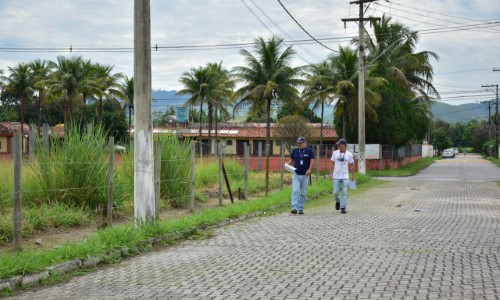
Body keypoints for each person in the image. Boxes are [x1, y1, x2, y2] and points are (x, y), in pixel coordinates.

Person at [286, 137, 315, 214]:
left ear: (304, 143)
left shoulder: (309, 151)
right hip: (296, 174)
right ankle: (294, 207)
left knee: (303, 192)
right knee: (295, 190)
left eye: (300, 143)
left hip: (305, 174)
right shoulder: (295, 151)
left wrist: (310, 169)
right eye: (298, 143)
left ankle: (301, 208)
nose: (299, 144)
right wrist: (287, 165)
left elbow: (312, 160)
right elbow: (291, 160)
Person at [330, 139, 355, 214]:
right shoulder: (335, 153)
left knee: (345, 192)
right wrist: (331, 173)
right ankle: (337, 201)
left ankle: (343, 207)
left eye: (339, 144)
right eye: (338, 145)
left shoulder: (349, 154)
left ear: (344, 145)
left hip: (345, 176)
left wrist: (353, 176)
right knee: (335, 192)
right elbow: (331, 163)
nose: (338, 146)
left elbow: (351, 165)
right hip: (336, 176)